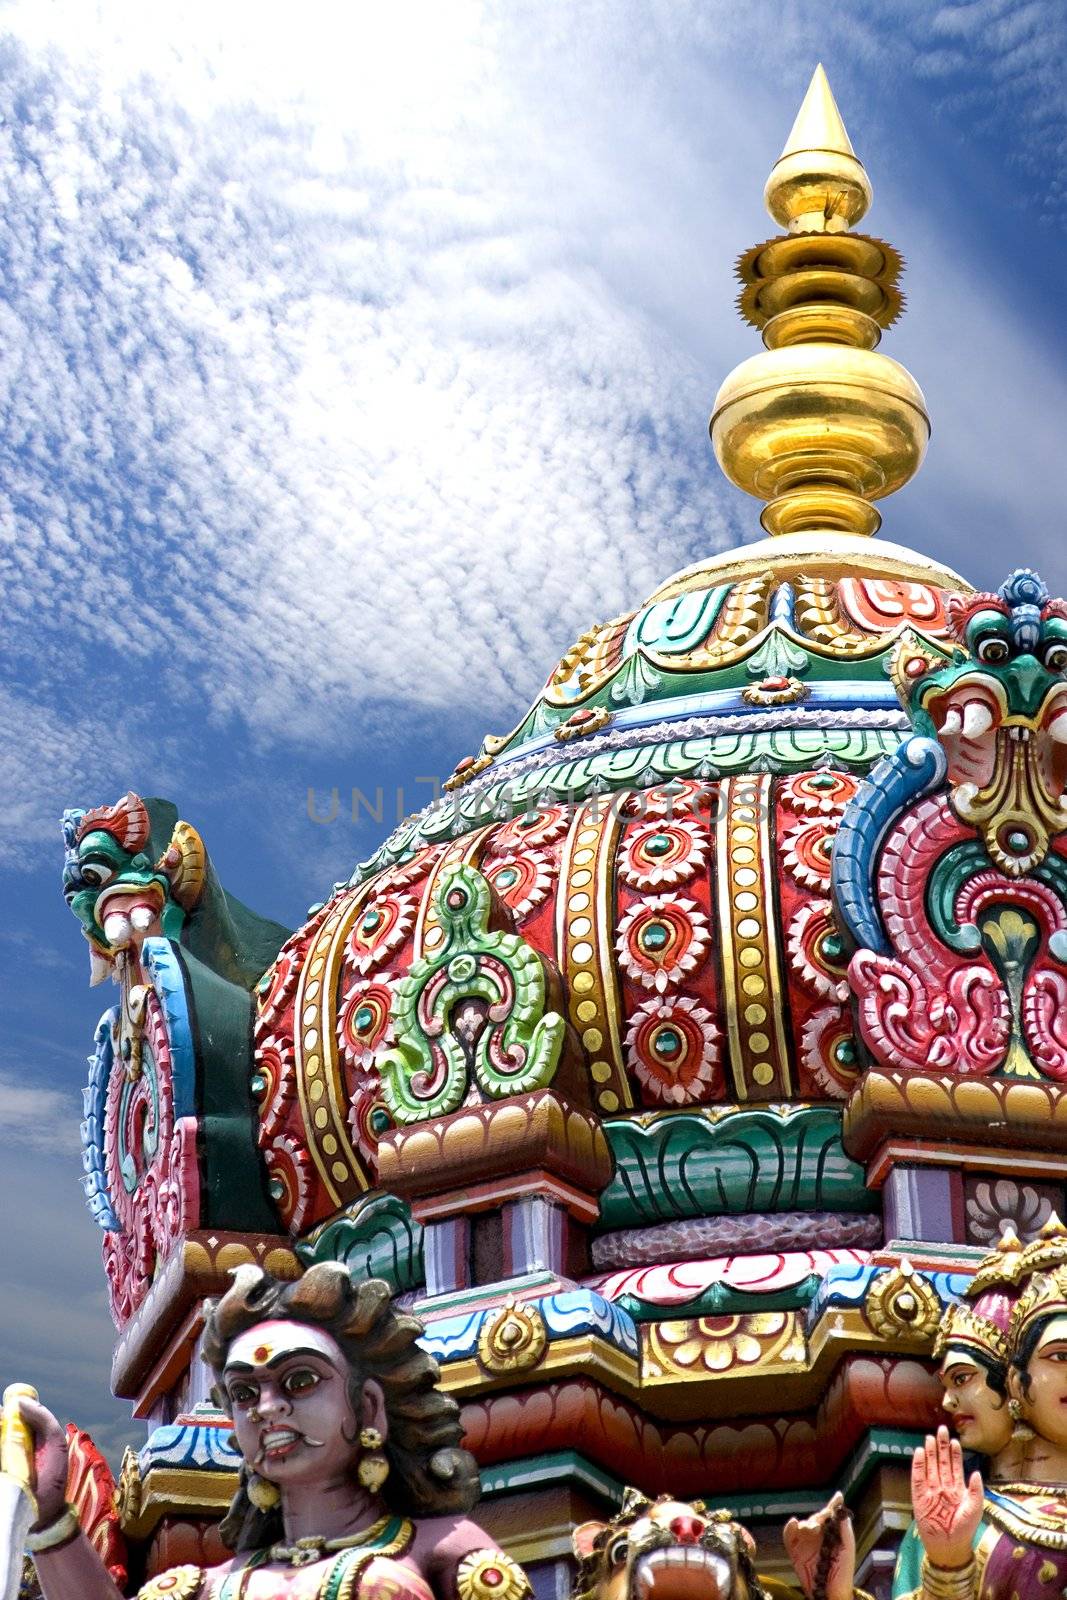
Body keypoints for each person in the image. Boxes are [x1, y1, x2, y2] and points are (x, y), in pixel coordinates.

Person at [18, 1263, 532, 1600]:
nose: (267, 1408)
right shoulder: (205, 1588)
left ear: (369, 1406)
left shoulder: (442, 1549)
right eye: (243, 1394)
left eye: (300, 1381)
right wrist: (48, 1515)